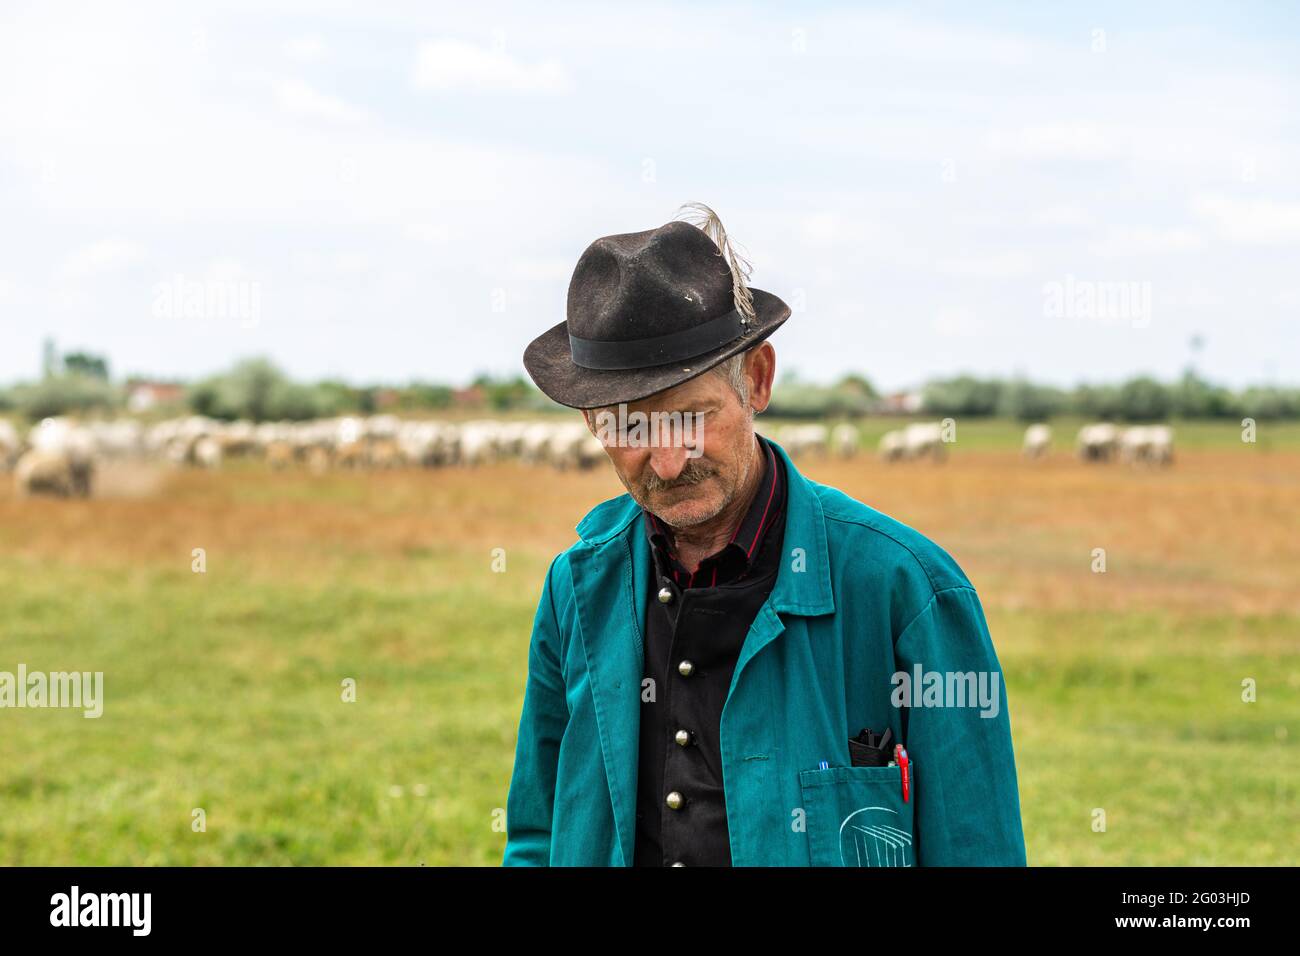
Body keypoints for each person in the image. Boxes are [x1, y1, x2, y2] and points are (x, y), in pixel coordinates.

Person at [504, 202, 1026, 866]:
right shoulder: (577, 588)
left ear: (756, 379)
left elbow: (976, 849)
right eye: (629, 429)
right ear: (590, 424)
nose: (666, 462)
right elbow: (538, 836)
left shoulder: (909, 592)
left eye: (692, 418)